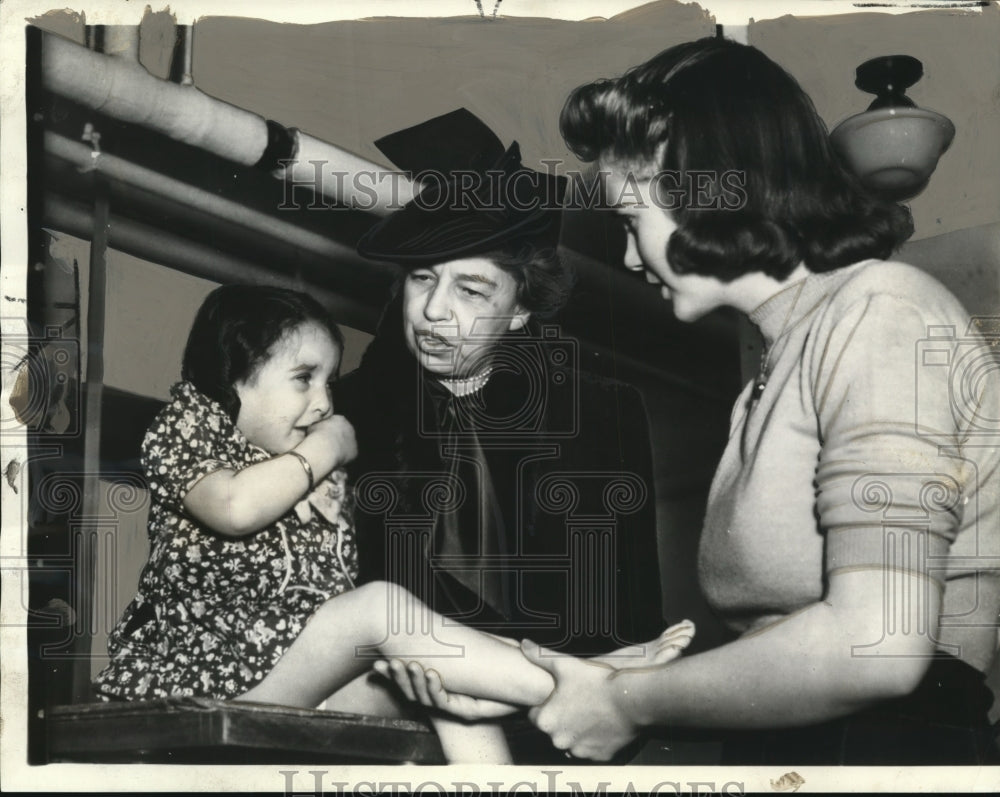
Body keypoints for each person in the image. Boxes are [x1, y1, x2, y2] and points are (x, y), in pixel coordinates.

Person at [387, 39, 1000, 765]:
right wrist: (572, 680)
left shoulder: (882, 313)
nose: (625, 258)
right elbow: (782, 649)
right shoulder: (770, 376)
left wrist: (625, 701)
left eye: (627, 222)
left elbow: (880, 645)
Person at [93, 283, 693, 763]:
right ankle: (610, 690)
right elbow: (233, 508)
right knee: (383, 608)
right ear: (231, 376)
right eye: (304, 378)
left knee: (432, 677)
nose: (325, 402)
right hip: (209, 685)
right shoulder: (188, 425)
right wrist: (325, 450)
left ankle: (579, 678)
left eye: (330, 381)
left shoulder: (303, 471)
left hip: (296, 685)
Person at [335, 109, 669, 760]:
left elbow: (634, 617)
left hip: (564, 739)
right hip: (388, 742)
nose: (434, 310)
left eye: (470, 288)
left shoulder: (601, 416)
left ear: (520, 309)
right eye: (422, 278)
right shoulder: (342, 414)